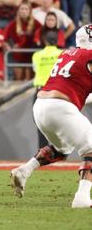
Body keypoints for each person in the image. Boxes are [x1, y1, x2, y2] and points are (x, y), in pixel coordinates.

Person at [10, 24, 92, 208]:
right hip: (61, 107)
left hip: (41, 106)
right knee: (90, 149)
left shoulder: (66, 54)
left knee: (62, 149)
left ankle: (25, 170)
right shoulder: (89, 56)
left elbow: (78, 89)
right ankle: (82, 197)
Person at [31, 32, 62, 148]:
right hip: (57, 92)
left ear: (45, 41)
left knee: (40, 123)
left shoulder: (37, 55)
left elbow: (35, 69)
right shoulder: (62, 54)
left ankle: (43, 151)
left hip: (41, 91)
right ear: (57, 41)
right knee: (59, 123)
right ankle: (60, 150)